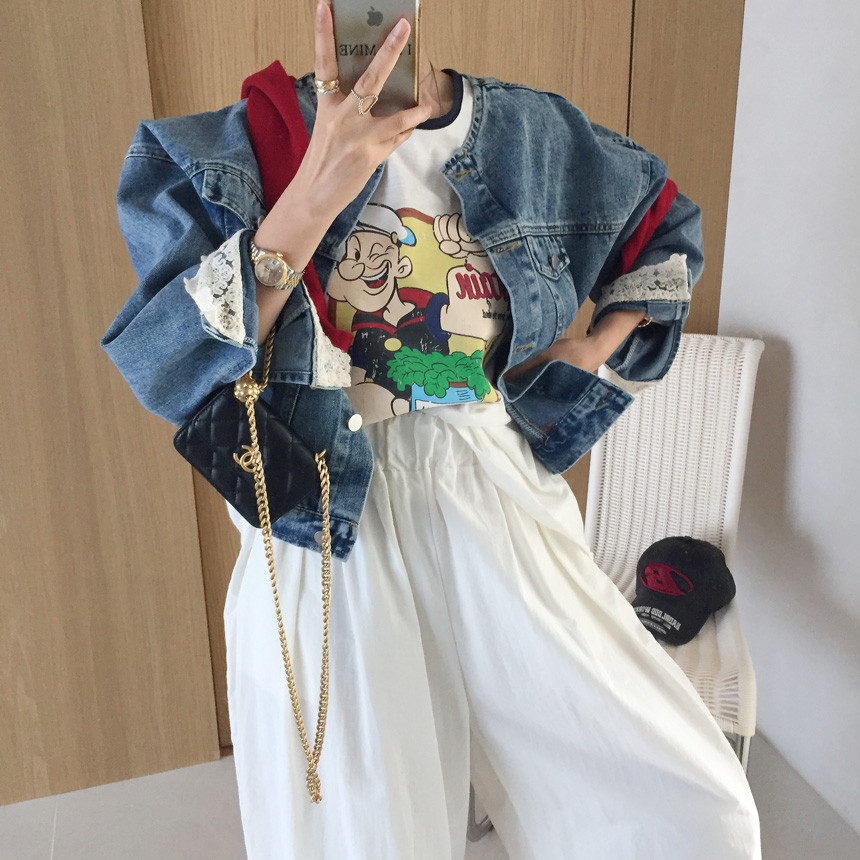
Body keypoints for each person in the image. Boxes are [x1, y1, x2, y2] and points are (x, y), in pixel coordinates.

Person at [102, 3, 761, 857]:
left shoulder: (531, 134)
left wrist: (592, 348)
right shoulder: (217, 151)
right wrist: (314, 190)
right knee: (363, 833)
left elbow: (665, 231)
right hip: (327, 526)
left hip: (496, 497)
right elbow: (166, 365)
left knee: (692, 812)